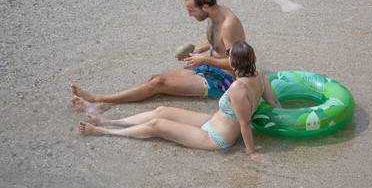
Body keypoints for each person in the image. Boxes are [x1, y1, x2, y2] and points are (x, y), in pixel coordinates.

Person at [78, 42, 281, 161]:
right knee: (161, 110)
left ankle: (104, 131)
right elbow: (273, 102)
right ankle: (109, 121)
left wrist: (252, 152)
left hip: (216, 138)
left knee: (156, 125)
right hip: (212, 121)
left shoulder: (238, 88)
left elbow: (244, 124)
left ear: (234, 62)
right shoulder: (260, 75)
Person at [70, 0, 246, 110]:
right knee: (152, 79)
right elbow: (218, 41)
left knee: (158, 84)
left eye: (192, 10)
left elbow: (236, 63)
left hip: (224, 81)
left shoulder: (228, 24)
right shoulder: (214, 14)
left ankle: (97, 98)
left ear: (205, 6)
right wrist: (199, 50)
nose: (189, 14)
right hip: (209, 67)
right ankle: (106, 104)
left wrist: (203, 59)